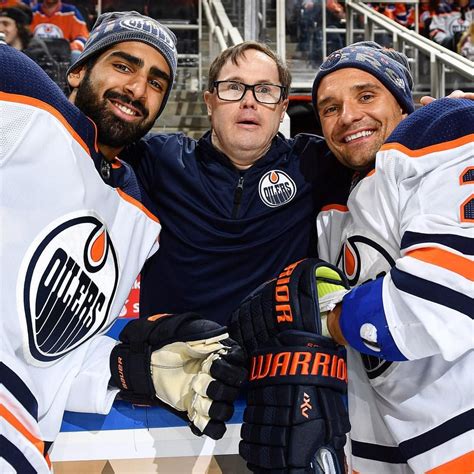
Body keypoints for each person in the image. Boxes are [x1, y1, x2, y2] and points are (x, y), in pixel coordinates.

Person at [1, 12, 246, 473]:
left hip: (27, 444)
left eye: (157, 82)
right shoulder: (25, 98)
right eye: (123, 65)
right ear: (78, 70)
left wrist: (133, 369)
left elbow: (56, 358)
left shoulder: (137, 216)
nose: (138, 89)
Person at [231, 41, 473, 473]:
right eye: (328, 107)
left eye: (366, 96)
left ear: (404, 105)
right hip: (384, 450)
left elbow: (436, 302)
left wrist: (320, 319)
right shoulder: (336, 207)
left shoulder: (443, 134)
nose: (347, 117)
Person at [117, 40, 352, 326]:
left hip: (277, 362)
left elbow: (379, 144)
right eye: (233, 87)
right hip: (174, 361)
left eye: (265, 90)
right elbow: (83, 135)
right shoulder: (157, 160)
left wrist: (419, 124)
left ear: (282, 109)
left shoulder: (315, 163)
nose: (249, 101)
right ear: (209, 102)